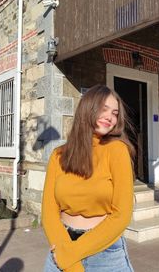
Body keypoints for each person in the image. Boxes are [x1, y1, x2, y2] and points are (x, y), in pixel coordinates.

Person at [42, 84, 135, 272]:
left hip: (104, 255)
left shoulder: (117, 150)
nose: (110, 117)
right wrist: (69, 261)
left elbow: (122, 215)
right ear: (87, 109)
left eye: (115, 113)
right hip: (60, 248)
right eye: (104, 109)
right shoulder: (59, 155)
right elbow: (49, 211)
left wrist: (71, 255)